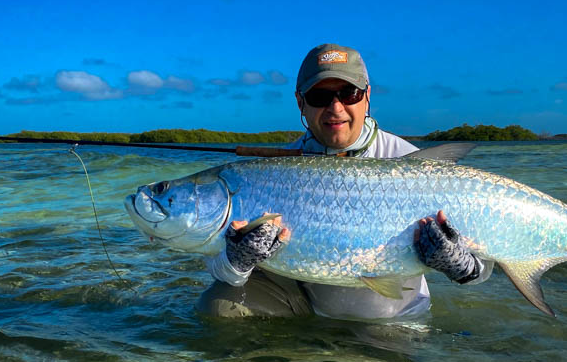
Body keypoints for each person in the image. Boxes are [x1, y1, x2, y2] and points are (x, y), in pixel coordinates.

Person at [197, 43, 487, 320]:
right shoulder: (274, 171)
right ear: (300, 102)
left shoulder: (410, 161)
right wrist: (238, 260)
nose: (335, 108)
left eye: (348, 93)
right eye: (320, 97)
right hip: (305, 309)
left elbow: (489, 257)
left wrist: (465, 268)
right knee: (220, 306)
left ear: (367, 95)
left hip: (393, 318)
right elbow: (219, 268)